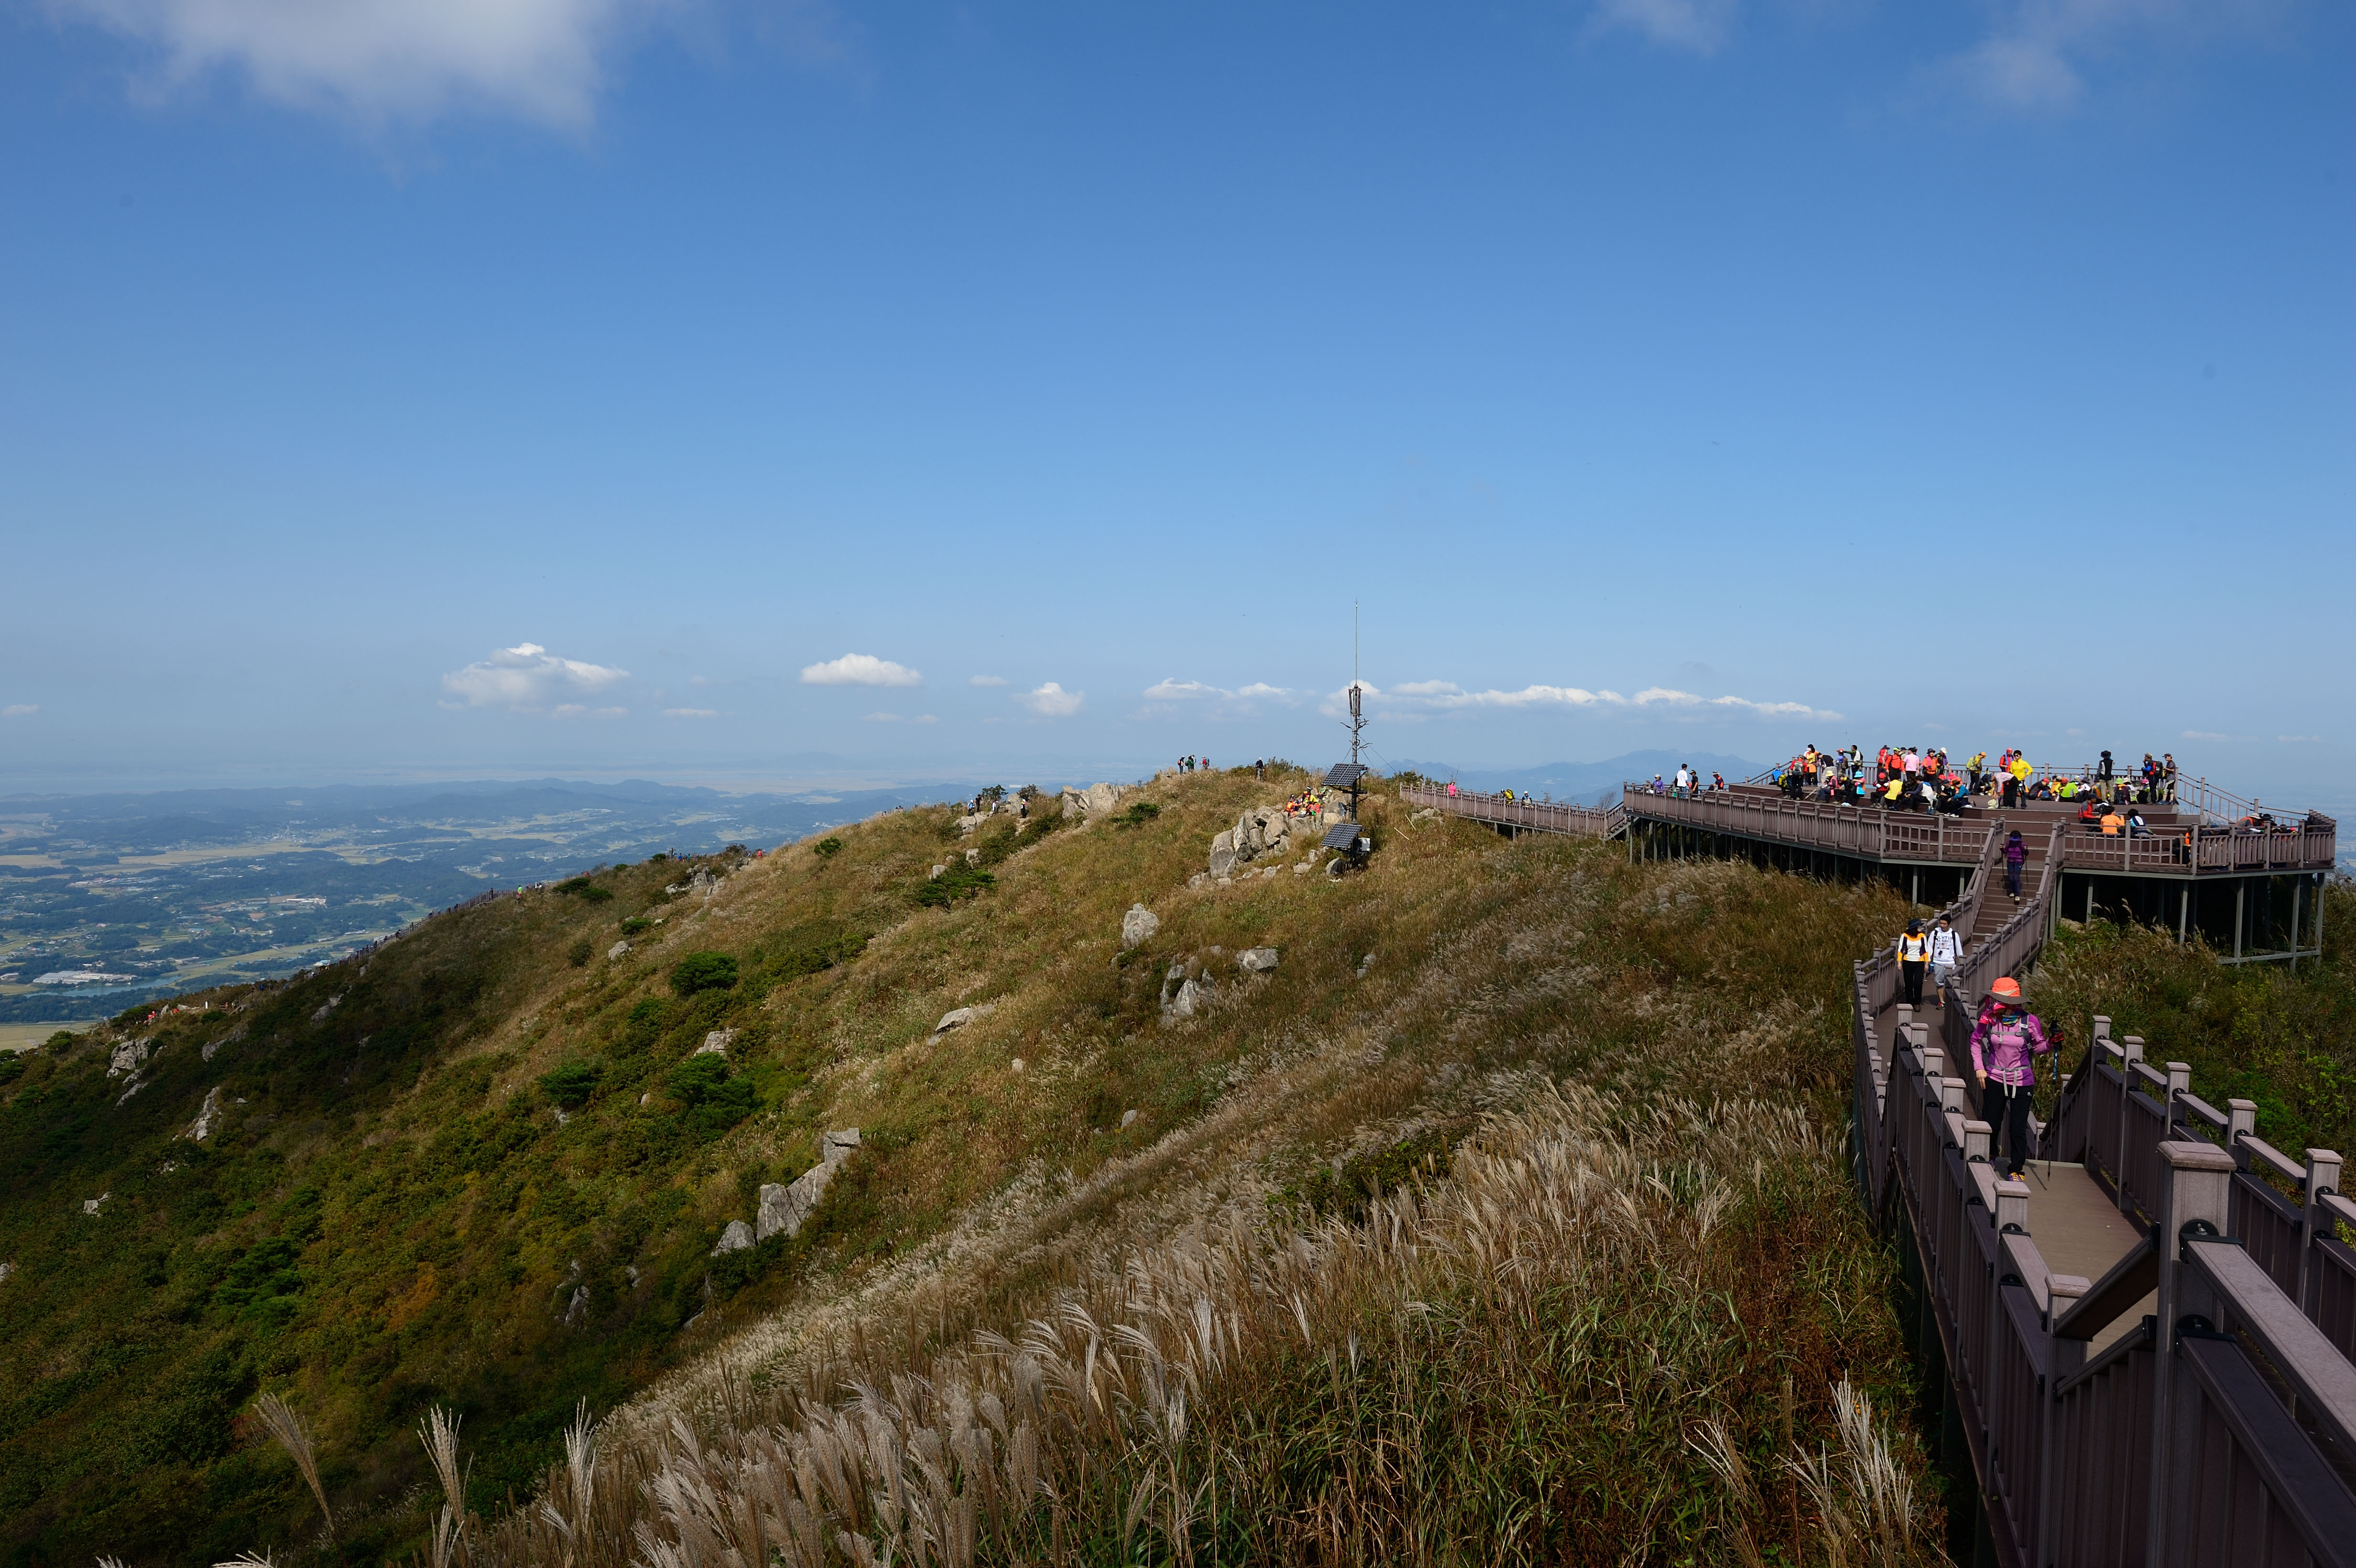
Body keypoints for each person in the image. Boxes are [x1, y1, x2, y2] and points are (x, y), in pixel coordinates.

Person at [1970, 977, 2053, 1180]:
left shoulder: (2029, 1021)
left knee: (2018, 1129)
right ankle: (1990, 1153)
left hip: (2023, 1080)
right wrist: (1979, 1068)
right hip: (1994, 1077)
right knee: (1991, 1123)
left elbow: (2039, 1047)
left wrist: (2052, 1043)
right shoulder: (1988, 1018)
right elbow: (1975, 1041)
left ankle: (2016, 1169)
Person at [1928, 914, 1963, 1006]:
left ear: (1949, 924)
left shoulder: (1954, 935)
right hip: (1938, 962)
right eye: (1941, 923)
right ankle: (1942, 1001)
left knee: (1951, 983)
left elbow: (1958, 948)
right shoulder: (1935, 933)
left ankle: (1951, 1001)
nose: (1942, 926)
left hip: (1950, 963)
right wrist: (1927, 960)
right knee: (1939, 982)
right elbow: (1930, 947)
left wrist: (1962, 959)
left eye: (1944, 924)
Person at [1897, 918, 1931, 1007]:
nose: (1920, 928)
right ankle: (1910, 1002)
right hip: (1908, 961)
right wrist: (1899, 962)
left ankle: (1917, 1002)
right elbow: (1901, 950)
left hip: (1920, 962)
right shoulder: (1904, 936)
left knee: (1918, 983)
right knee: (1909, 983)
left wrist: (1927, 963)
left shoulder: (1922, 936)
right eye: (1919, 926)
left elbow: (1925, 950)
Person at [2004, 828, 2027, 899]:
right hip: (2010, 862)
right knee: (2011, 878)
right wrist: (2002, 849)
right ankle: (2012, 892)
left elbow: (2026, 854)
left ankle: (2017, 894)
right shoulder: (2009, 843)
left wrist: (2026, 850)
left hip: (2018, 862)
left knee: (2016, 878)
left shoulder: (2021, 844)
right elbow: (2005, 852)